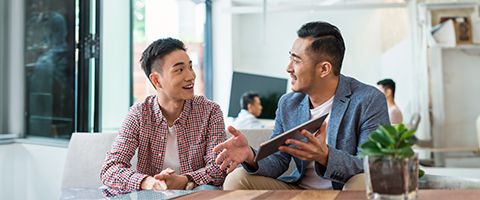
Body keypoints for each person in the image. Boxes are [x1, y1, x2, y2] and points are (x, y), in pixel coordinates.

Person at [214, 21, 390, 190]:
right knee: (237, 179)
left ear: (324, 69)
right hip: (298, 188)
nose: (288, 68)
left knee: (362, 181)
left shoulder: (368, 100)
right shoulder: (288, 103)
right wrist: (250, 155)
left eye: (296, 61)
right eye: (290, 58)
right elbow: (278, 161)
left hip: (344, 189)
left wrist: (325, 157)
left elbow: (372, 165)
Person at [100, 38, 227, 196]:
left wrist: (183, 180)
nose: (191, 76)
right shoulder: (139, 114)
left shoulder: (210, 111)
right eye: (179, 70)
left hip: (196, 193)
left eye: (190, 66)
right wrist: (150, 182)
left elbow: (219, 169)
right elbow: (110, 169)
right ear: (156, 80)